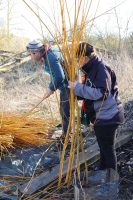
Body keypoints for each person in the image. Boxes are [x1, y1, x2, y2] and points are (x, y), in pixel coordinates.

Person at [69, 42, 125, 171]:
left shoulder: (100, 68)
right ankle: (103, 169)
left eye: (78, 59)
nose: (77, 62)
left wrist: (77, 88)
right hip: (101, 115)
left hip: (109, 115)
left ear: (85, 58)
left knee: (107, 148)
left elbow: (101, 93)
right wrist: (76, 93)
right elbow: (90, 90)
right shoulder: (91, 68)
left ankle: (111, 178)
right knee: (103, 146)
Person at [26, 40, 70, 141]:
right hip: (65, 85)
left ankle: (66, 139)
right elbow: (54, 74)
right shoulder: (47, 54)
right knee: (63, 111)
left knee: (65, 112)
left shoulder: (50, 57)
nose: (30, 57)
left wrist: (51, 89)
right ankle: (66, 134)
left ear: (36, 52)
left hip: (69, 86)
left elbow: (60, 77)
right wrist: (50, 87)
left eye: (31, 54)